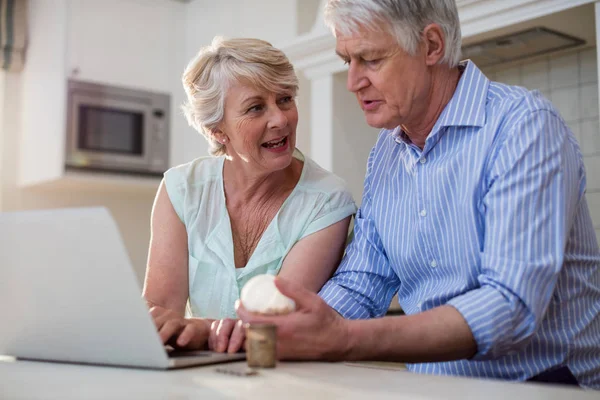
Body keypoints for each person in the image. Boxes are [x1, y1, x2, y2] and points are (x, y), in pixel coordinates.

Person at [237, 0, 600, 388]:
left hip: (546, 385)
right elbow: (363, 281)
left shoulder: (523, 127)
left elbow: (508, 308)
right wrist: (285, 328)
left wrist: (342, 339)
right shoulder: (387, 152)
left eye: (371, 59)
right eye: (348, 62)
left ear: (431, 46)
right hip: (434, 389)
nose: (353, 82)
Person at [142, 37, 357, 353]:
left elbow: (272, 325)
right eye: (256, 108)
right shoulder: (181, 189)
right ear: (217, 130)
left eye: (284, 99)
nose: (280, 119)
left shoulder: (327, 200)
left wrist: (199, 330)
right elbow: (161, 313)